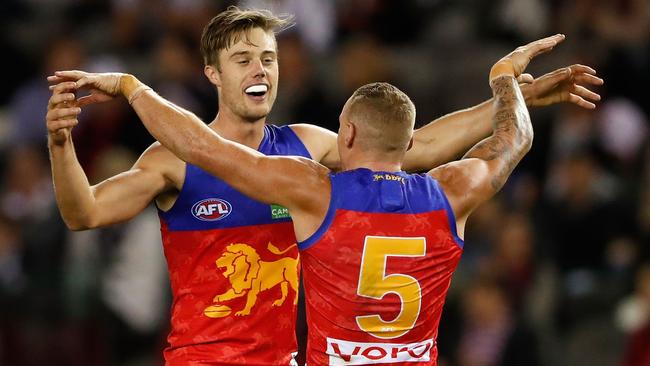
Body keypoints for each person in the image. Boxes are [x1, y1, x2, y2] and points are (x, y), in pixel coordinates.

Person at [46, 7, 603, 365]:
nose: (259, 69)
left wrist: (515, 100)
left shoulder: (308, 150)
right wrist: (61, 147)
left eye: (268, 58)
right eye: (242, 60)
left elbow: (413, 146)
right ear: (213, 73)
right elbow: (84, 212)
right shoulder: (170, 158)